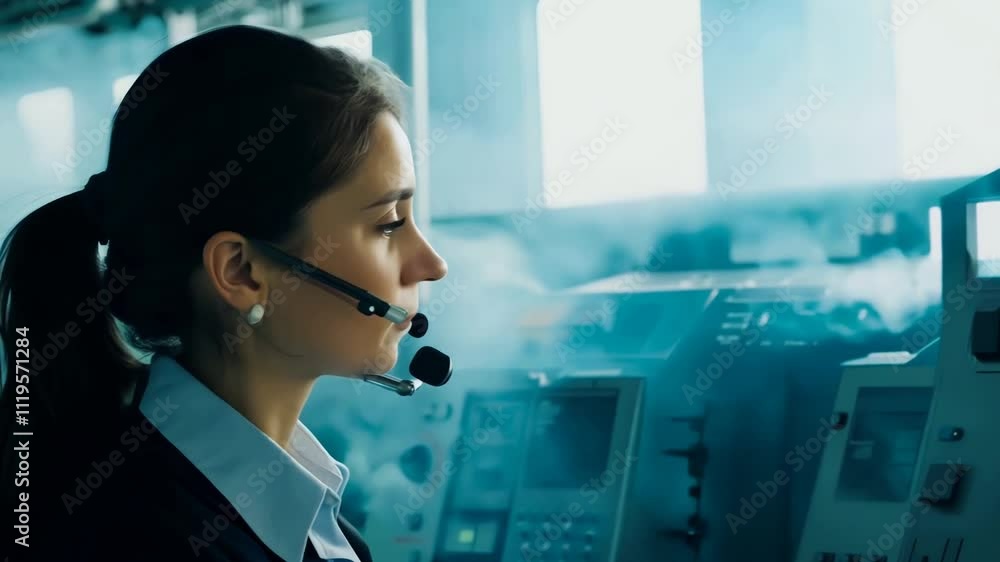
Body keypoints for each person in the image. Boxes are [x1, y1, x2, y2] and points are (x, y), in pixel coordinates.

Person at [0, 24, 447, 561]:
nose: (432, 264)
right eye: (389, 223)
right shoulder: (138, 539)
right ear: (240, 273)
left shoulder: (312, 519)